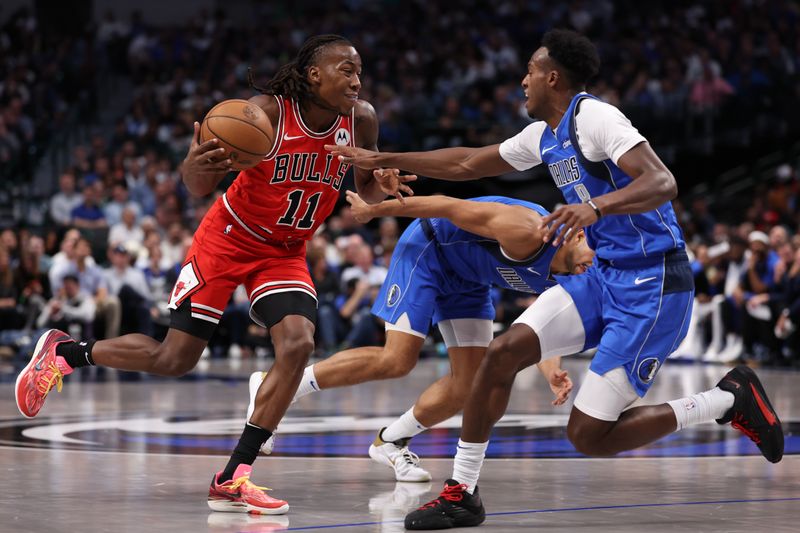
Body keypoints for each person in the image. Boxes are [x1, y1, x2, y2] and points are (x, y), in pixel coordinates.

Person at [324, 29, 783, 530]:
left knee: (588, 436)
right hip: (603, 274)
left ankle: (724, 400)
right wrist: (382, 159)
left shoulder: (597, 118)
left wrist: (594, 206)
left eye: (529, 72)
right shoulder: (544, 136)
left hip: (652, 286)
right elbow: (467, 163)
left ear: (552, 77)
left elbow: (662, 181)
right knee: (500, 357)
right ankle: (463, 493)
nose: (522, 82)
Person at [15, 34, 411, 515]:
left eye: (359, 70)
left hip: (284, 250)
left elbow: (365, 192)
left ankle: (233, 476)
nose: (357, 79)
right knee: (174, 358)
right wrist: (192, 163)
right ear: (313, 74)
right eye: (346, 69)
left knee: (299, 344)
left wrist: (382, 187)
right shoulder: (262, 113)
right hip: (228, 237)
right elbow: (198, 185)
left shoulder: (361, 118)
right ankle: (66, 352)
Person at [247, 190, 590, 481]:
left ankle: (391, 442)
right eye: (595, 252)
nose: (596, 264)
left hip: (469, 281)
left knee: (470, 385)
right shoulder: (529, 228)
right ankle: (278, 385)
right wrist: (376, 210)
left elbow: (540, 329)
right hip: (430, 250)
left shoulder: (577, 274)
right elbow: (446, 205)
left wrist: (552, 374)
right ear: (576, 233)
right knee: (397, 359)